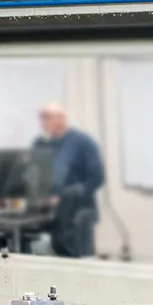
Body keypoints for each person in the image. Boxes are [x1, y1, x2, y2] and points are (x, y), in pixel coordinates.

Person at [36, 102, 104, 258]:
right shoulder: (41, 144)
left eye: (46, 118)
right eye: (41, 118)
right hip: (49, 215)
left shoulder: (82, 142)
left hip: (77, 215)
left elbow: (97, 178)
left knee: (78, 263)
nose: (42, 123)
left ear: (60, 119)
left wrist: (64, 197)